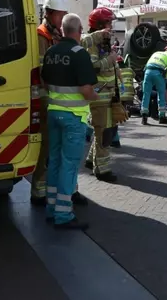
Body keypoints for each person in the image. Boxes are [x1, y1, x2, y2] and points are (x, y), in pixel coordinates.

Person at [42, 13, 99, 230]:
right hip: (73, 118)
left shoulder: (50, 52)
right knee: (69, 165)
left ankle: (51, 208)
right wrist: (95, 95)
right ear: (78, 30)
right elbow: (86, 90)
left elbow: (46, 83)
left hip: (53, 114)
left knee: (55, 161)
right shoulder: (79, 53)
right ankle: (64, 215)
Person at [31, 0, 87, 207]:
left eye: (65, 14)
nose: (63, 19)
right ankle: (39, 192)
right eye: (60, 14)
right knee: (49, 150)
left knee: (69, 154)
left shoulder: (58, 36)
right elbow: (43, 72)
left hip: (60, 101)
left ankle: (70, 190)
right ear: (49, 13)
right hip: (47, 100)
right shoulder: (41, 36)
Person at [80, 7, 119, 182]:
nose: (111, 26)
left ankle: (91, 161)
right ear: (99, 24)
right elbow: (91, 67)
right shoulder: (90, 43)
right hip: (99, 96)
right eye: (108, 22)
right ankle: (102, 170)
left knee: (104, 131)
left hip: (108, 95)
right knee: (103, 133)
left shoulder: (104, 42)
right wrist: (109, 60)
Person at [140, 46, 167, 125]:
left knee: (146, 94)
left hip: (147, 72)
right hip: (158, 73)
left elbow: (146, 65)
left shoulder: (156, 53)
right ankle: (162, 117)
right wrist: (166, 79)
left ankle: (144, 117)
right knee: (161, 94)